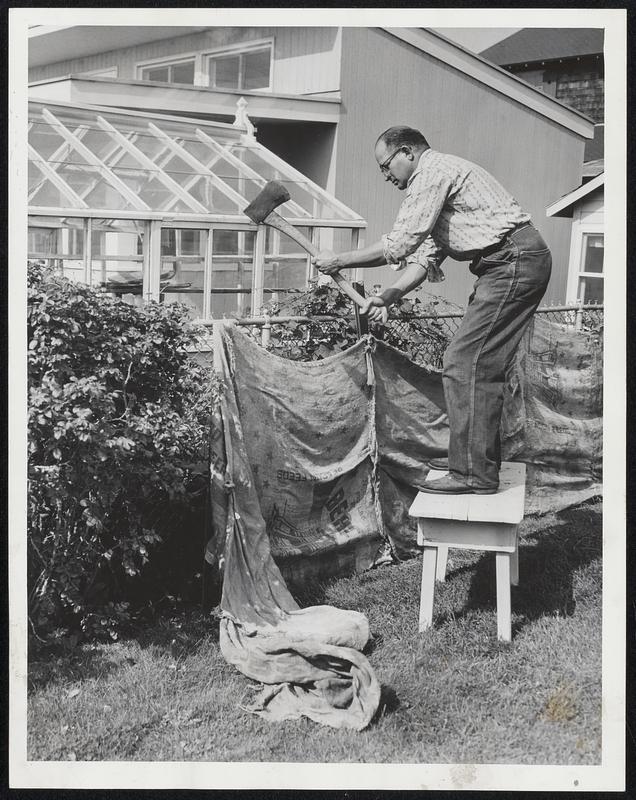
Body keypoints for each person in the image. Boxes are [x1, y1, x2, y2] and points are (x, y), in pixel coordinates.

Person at [313, 126, 551, 495]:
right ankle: (471, 461)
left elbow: (401, 242)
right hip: (507, 263)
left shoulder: (431, 174)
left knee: (465, 361)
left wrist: (340, 259)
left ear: (407, 152)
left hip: (513, 262)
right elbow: (425, 256)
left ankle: (473, 473)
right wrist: (388, 296)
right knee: (476, 363)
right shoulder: (440, 181)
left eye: (386, 166)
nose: (386, 176)